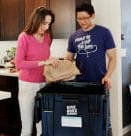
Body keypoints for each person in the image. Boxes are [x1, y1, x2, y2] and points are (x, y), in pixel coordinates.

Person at [65, 3, 116, 135]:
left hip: (100, 83)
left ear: (92, 16)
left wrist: (108, 76)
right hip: (80, 84)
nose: (82, 22)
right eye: (79, 19)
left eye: (85, 18)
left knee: (104, 119)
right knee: (82, 119)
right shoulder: (73, 37)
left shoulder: (104, 32)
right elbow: (68, 61)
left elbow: (113, 58)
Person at [15, 6, 58, 136]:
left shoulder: (48, 37)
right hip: (27, 85)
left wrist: (51, 60)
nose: (46, 27)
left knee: (43, 127)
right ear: (36, 20)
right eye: (44, 23)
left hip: (44, 85)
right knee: (27, 129)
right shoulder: (24, 37)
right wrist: (44, 62)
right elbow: (19, 64)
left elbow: (44, 57)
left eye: (49, 24)